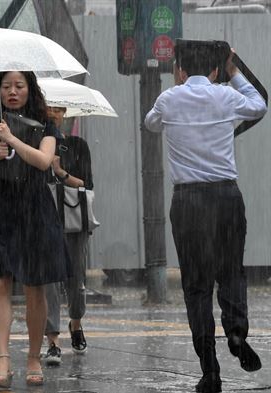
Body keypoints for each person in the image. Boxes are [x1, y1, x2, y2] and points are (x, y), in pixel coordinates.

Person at [145, 46, 266, 393]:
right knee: (231, 272)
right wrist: (234, 69)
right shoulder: (227, 95)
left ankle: (210, 369)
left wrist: (175, 89)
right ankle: (236, 332)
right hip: (226, 197)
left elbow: (151, 123)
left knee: (196, 285)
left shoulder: (169, 99)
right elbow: (259, 105)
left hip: (189, 201)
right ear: (216, 71)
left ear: (180, 70)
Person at [0, 71, 70, 388]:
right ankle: (2, 360)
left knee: (34, 286)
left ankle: (33, 357)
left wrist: (12, 140)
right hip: (2, 206)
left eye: (19, 86)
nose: (12, 91)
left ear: (30, 89)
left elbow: (43, 161)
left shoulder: (45, 122)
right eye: (6, 85)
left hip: (35, 206)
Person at [43, 106, 93, 365]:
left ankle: (76, 323)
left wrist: (60, 171)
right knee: (49, 281)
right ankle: (52, 339)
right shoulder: (37, 143)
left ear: (65, 112)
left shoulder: (78, 145)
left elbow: (86, 184)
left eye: (58, 109)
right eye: (48, 108)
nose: (54, 113)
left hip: (74, 220)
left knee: (77, 279)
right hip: (46, 220)